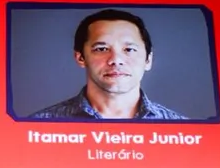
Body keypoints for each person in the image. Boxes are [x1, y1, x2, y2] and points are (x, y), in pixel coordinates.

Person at [29, 9, 186, 120]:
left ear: (148, 60)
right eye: (102, 49)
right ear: (80, 58)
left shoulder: (182, 130)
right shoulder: (38, 127)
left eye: (129, 49)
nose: (116, 60)